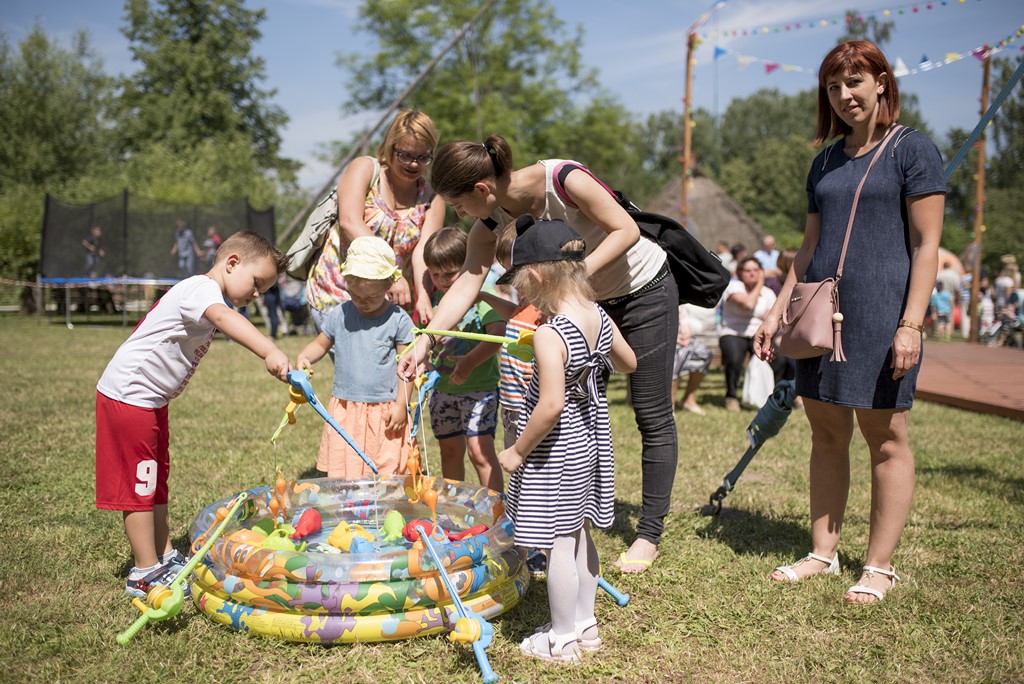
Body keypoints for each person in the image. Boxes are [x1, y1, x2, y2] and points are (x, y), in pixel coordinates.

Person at [400, 134, 677, 574]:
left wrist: (571, 283)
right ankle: (566, 521)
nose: (461, 215)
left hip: (642, 289)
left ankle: (648, 533)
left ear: (481, 189)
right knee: (568, 417)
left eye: (459, 204)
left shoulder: (564, 179)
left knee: (651, 411)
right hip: (581, 302)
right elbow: (468, 282)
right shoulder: (490, 223)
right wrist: (426, 340)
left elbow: (626, 230)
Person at [753, 40, 945, 604]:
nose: (844, 95)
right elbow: (809, 246)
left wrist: (911, 324)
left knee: (886, 438)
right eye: (833, 87)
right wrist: (776, 309)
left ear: (882, 82)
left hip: (884, 312)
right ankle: (823, 553)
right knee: (826, 432)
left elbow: (927, 245)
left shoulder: (913, 150)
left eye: (855, 82)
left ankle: (879, 566)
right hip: (820, 316)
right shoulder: (824, 162)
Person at [95, 231, 291, 598]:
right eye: (255, 283)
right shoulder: (201, 290)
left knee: (156, 480)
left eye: (263, 290)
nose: (256, 295)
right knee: (141, 485)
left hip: (152, 401)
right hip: (130, 397)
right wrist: (269, 350)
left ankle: (165, 554)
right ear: (232, 263)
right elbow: (223, 317)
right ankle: (144, 572)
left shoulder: (207, 293)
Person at [495, 216, 636, 662]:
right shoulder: (599, 316)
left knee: (558, 542)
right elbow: (628, 362)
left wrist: (517, 450)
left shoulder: (550, 333)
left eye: (521, 282)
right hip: (590, 441)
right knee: (579, 534)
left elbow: (551, 404)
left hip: (556, 449)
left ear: (537, 275)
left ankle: (561, 639)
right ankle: (585, 624)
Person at [306, 110, 444, 330]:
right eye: (405, 155)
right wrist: (391, 273)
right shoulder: (365, 169)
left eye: (423, 157)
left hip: (389, 303)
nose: (413, 164)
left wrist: (423, 296)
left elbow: (422, 254)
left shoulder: (431, 199)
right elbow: (350, 221)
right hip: (341, 292)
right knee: (352, 353)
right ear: (390, 147)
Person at [296, 237, 414, 479]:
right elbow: (320, 344)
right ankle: (350, 499)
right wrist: (305, 356)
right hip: (346, 407)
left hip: (384, 408)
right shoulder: (340, 314)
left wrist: (402, 405)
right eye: (356, 296)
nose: (362, 303)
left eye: (370, 298)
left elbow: (408, 368)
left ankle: (383, 499)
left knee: (386, 469)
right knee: (346, 470)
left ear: (388, 284)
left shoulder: (398, 319)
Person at [476, 223, 546, 575]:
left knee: (535, 482)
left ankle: (540, 549)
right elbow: (516, 318)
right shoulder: (525, 304)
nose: (512, 283)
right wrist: (486, 297)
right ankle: (523, 542)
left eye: (515, 274)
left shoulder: (547, 310)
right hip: (513, 410)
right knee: (518, 481)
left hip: (532, 412)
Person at [422, 227, 505, 492]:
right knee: (449, 451)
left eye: (450, 273)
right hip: (443, 390)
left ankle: (495, 507)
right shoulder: (433, 299)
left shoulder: (481, 295)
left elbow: (498, 334)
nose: (442, 281)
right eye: (435, 274)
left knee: (479, 453)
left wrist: (470, 361)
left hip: (479, 390)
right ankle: (453, 505)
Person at [719, 257, 785, 412]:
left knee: (779, 360)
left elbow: (771, 317)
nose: (752, 274)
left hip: (758, 334)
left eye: (756, 270)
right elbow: (748, 304)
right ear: (740, 273)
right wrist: (760, 283)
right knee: (734, 358)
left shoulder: (768, 293)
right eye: (748, 270)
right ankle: (731, 396)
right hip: (733, 332)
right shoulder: (734, 287)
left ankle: (773, 396)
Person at [672, 304, 712, 416]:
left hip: (681, 338)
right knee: (678, 356)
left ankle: (688, 400)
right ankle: (669, 405)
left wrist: (686, 333)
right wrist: (674, 336)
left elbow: (683, 317)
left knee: (703, 353)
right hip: (663, 338)